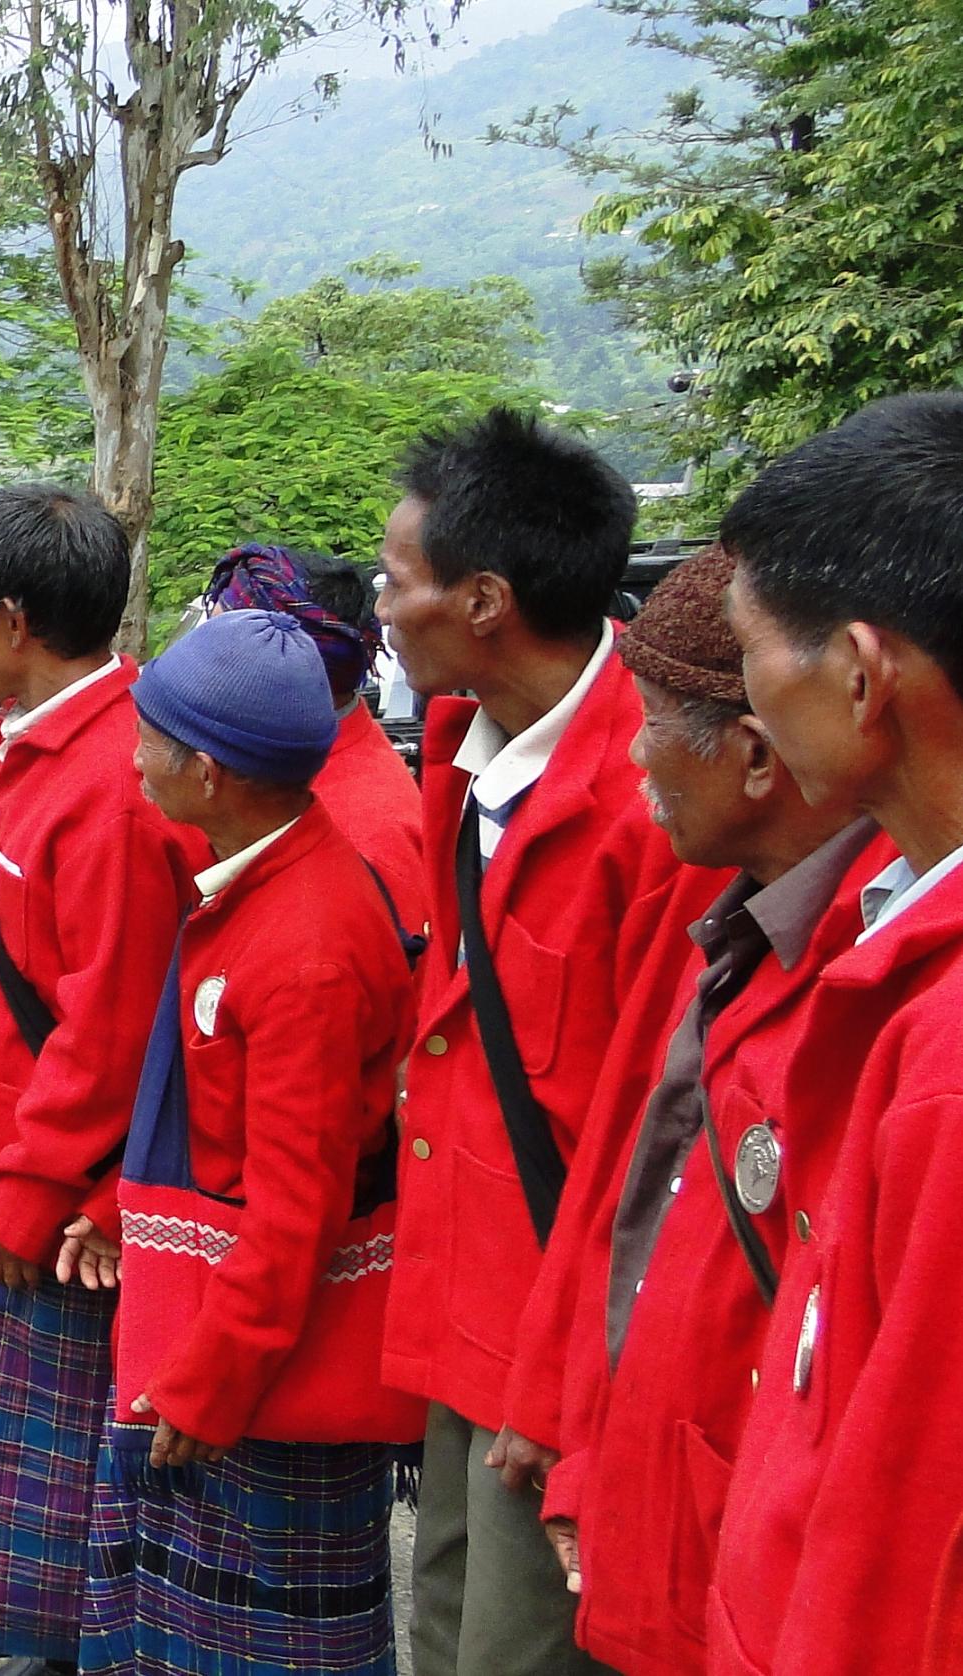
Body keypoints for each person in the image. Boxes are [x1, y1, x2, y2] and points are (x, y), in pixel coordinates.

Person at [370, 410, 714, 1676]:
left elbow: (656, 1127)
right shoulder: (464, 760)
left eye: (393, 580)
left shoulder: (658, 797)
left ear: (484, 600)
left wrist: (574, 1378)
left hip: (561, 1335)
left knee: (523, 1649)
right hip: (468, 1304)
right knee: (447, 1622)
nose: (381, 608)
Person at [528, 549, 880, 1673]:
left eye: (652, 724)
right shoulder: (737, 926)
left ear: (755, 755)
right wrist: (585, 1436)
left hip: (743, 1541)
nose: (632, 756)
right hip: (659, 1484)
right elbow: (632, 1203)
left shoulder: (873, 980)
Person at [80, 610, 425, 1676]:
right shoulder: (264, 878)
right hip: (224, 1328)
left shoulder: (306, 941)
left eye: (147, 738)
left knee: (261, 1642)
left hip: (259, 1358)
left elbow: (298, 1198)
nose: (133, 757)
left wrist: (210, 1378)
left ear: (211, 771)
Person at [0, 489, 188, 1658]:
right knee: (14, 1457)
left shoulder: (111, 779)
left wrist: (34, 1184)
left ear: (13, 620)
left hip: (49, 1194)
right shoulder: (39, 749)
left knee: (56, 1468)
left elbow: (109, 1024)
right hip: (3, 1164)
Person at [701, 392, 963, 1674]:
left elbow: (912, 1525)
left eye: (750, 650)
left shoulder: (949, 1056)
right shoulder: (893, 935)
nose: (743, 695)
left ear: (861, 674)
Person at [205, 545, 423, 909]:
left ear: (290, 672)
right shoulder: (273, 761)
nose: (198, 662)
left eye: (218, 647)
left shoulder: (367, 834)